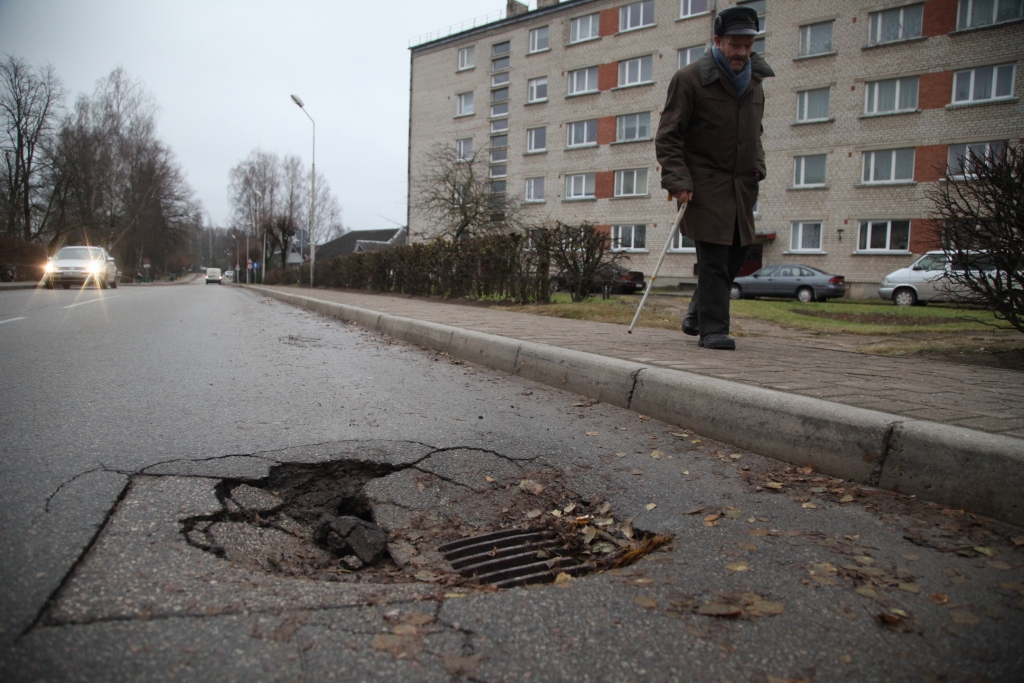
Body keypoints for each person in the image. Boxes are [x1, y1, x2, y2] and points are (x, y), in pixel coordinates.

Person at [655, 5, 774, 350]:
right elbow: (668, 135)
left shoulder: (754, 82)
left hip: (741, 186)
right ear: (718, 41)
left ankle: (697, 311)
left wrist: (758, 166)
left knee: (738, 252)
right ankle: (714, 330)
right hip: (703, 183)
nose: (742, 53)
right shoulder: (690, 79)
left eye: (748, 46)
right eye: (735, 45)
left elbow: (757, 133)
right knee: (714, 257)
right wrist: (677, 180)